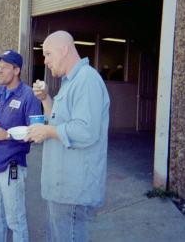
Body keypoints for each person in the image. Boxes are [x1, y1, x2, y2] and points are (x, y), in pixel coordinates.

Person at [24, 31, 110, 242]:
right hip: (62, 186)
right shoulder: (70, 82)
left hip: (73, 188)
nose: (45, 61)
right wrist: (45, 99)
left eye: (48, 54)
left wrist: (47, 131)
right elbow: (60, 121)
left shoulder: (86, 80)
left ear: (64, 50)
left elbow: (85, 131)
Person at [0, 50, 42, 242]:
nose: (0, 71)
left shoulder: (29, 96)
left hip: (12, 165)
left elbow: (35, 132)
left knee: (15, 220)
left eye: (4, 68)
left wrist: (8, 135)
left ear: (17, 70)